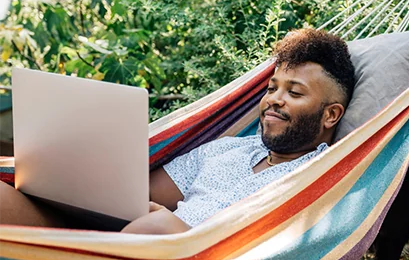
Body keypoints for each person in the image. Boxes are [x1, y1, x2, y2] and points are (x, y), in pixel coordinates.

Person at [0, 28, 355, 234]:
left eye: (293, 93)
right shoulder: (224, 150)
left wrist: (161, 226)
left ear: (330, 115)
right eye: (271, 88)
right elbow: (129, 198)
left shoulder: (322, 173)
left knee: (154, 228)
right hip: (128, 247)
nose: (273, 101)